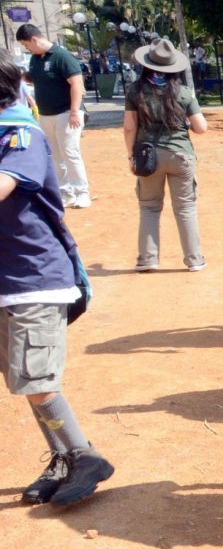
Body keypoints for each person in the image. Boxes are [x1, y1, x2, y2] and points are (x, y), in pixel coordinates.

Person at [0, 47, 115, 507]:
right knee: (26, 379)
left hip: (35, 279)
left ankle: (84, 456)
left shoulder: (19, 133)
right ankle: (64, 457)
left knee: (36, 378)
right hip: (9, 282)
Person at [123, 39, 208, 273]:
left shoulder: (135, 91)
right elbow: (201, 128)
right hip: (180, 154)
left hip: (148, 156)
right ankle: (194, 260)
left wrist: (131, 156)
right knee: (185, 209)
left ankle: (148, 259)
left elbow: (130, 127)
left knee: (149, 207)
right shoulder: (183, 92)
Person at [15, 24, 91, 209]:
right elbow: (33, 78)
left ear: (34, 39)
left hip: (67, 113)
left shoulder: (62, 57)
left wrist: (74, 112)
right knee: (55, 155)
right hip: (46, 115)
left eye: (26, 45)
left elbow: (76, 84)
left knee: (70, 153)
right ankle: (65, 193)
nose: (27, 49)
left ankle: (82, 193)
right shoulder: (35, 58)